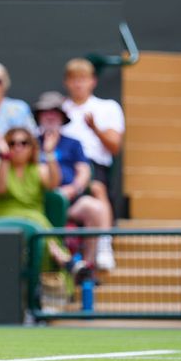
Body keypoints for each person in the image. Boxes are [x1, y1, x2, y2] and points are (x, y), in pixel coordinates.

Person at [34, 91, 114, 272]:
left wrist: (74, 188)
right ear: (39, 116)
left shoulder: (73, 143)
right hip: (38, 203)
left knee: (94, 207)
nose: (50, 116)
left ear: (62, 117)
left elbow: (84, 171)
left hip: (70, 202)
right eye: (46, 112)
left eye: (54, 112)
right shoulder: (27, 143)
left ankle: (87, 266)